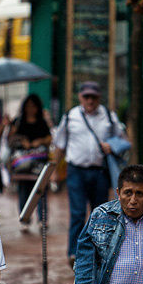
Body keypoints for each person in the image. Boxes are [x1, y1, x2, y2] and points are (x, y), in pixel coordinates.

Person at [54, 81, 125, 267]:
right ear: (80, 97)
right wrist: (54, 171)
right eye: (86, 96)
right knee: (77, 213)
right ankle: (74, 253)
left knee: (100, 213)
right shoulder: (70, 116)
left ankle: (99, 252)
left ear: (99, 97)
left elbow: (124, 139)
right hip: (76, 171)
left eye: (93, 96)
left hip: (100, 171)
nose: (90, 100)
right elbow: (60, 145)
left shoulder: (108, 116)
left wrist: (113, 145)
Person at [7, 93, 52, 225]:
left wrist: (39, 141)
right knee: (23, 189)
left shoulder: (42, 122)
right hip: (22, 162)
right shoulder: (18, 121)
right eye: (28, 106)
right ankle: (24, 217)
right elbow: (10, 139)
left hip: (39, 162)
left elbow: (49, 139)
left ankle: (42, 218)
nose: (31, 109)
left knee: (41, 189)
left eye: (33, 106)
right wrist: (21, 139)